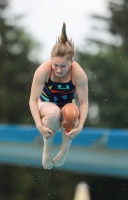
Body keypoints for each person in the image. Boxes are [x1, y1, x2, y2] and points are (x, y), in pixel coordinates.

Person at [29, 22, 88, 169]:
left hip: (67, 103)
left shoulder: (78, 73)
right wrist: (39, 125)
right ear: (51, 60)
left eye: (63, 66)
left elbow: (84, 102)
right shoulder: (43, 70)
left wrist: (80, 126)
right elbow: (33, 100)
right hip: (45, 104)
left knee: (72, 112)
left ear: (71, 62)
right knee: (54, 112)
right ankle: (47, 150)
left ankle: (64, 150)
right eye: (55, 65)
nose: (59, 70)